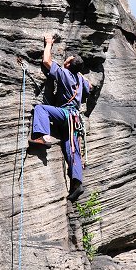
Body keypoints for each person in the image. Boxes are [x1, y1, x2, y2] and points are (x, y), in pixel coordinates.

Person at [28, 33, 91, 203]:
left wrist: (48, 43)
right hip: (74, 120)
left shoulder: (65, 73)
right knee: (72, 149)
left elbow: (47, 62)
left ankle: (42, 136)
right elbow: (90, 86)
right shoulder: (80, 79)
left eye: (68, 59)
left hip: (65, 114)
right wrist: (80, 73)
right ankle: (77, 183)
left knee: (41, 109)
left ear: (68, 64)